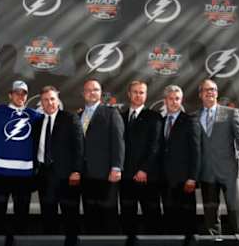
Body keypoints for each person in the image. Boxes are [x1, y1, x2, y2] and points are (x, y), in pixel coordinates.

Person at [196, 79, 239, 246]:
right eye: (206, 90)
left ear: (217, 93)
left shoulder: (231, 114)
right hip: (206, 173)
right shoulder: (194, 116)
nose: (210, 92)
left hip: (229, 172)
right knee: (210, 216)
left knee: (235, 213)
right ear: (200, 94)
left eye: (213, 89)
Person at [0, 80, 42, 234]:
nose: (20, 96)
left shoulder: (35, 116)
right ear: (10, 95)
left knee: (22, 218)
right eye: (17, 93)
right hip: (0, 175)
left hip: (24, 176)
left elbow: (54, 120)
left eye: (24, 93)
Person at [33, 86, 83, 234]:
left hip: (67, 177)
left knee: (70, 217)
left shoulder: (70, 118)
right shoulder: (38, 122)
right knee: (48, 217)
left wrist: (76, 171)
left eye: (52, 99)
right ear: (41, 103)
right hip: (44, 177)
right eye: (45, 100)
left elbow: (79, 147)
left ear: (58, 100)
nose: (50, 103)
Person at [80, 79, 124, 234]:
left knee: (108, 214)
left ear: (100, 93)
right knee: (90, 215)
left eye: (95, 89)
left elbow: (118, 142)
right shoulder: (78, 115)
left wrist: (116, 167)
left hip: (107, 174)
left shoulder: (111, 113)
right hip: (85, 175)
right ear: (83, 93)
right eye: (88, 90)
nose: (92, 92)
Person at [121, 80, 162, 235]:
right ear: (129, 94)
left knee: (152, 216)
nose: (138, 95)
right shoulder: (121, 117)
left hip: (147, 177)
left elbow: (155, 146)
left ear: (146, 95)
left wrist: (143, 169)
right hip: (126, 177)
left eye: (142, 92)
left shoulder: (154, 117)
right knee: (127, 216)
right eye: (135, 92)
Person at [159, 85, 200, 235]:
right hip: (165, 180)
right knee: (170, 218)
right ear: (165, 101)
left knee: (187, 219)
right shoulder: (161, 121)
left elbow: (196, 151)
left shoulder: (190, 121)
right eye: (171, 99)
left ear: (181, 100)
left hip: (184, 181)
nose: (174, 102)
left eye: (177, 99)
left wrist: (192, 178)